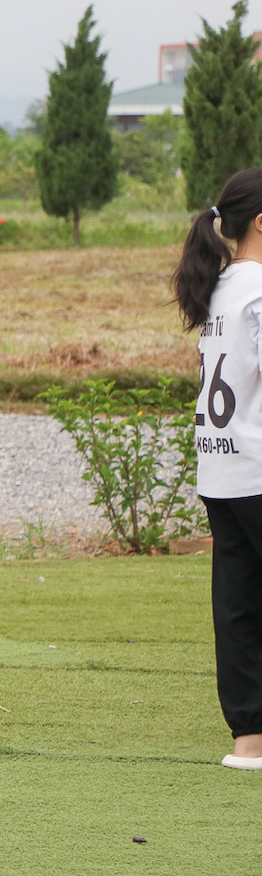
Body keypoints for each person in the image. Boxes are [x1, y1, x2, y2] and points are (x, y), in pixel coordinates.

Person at [175, 166, 262, 772]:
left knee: (238, 605)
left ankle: (249, 743)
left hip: (221, 470)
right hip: (258, 468)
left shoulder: (222, 287)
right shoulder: (258, 292)